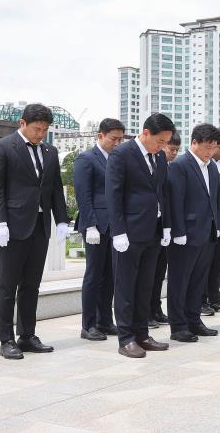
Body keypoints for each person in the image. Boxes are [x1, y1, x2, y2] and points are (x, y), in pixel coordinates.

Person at [0, 103, 71, 359]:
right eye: (36, 129)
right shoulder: (1, 148)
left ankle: (27, 335)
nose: (40, 134)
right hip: (11, 226)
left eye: (45, 130)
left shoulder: (50, 151)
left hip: (40, 226)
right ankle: (5, 339)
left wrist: (63, 220)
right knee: (6, 285)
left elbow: (55, 188)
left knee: (31, 285)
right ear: (22, 123)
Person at [106, 113, 174, 358]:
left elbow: (163, 193)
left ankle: (142, 333)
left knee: (146, 285)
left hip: (153, 231)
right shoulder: (121, 155)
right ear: (146, 133)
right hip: (129, 232)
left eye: (166, 142)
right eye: (160, 141)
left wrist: (166, 226)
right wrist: (118, 231)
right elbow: (113, 194)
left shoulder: (160, 158)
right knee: (126, 286)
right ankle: (126, 338)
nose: (163, 146)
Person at [167, 124, 220, 342]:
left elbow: (214, 200)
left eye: (214, 147)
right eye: (207, 146)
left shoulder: (212, 168)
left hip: (207, 233)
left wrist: (217, 226)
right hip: (185, 234)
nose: (210, 151)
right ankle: (178, 326)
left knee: (198, 281)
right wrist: (178, 231)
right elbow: (175, 201)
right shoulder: (180, 165)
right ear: (195, 143)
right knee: (180, 282)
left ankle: (194, 320)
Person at [75, 118, 125, 341]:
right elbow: (83, 196)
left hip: (114, 225)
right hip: (95, 225)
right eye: (113, 138)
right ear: (101, 136)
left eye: (120, 139)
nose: (117, 143)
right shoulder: (86, 159)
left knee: (111, 275)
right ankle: (89, 324)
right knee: (94, 275)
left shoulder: (117, 159)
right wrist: (91, 225)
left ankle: (105, 320)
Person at [148, 130, 181, 327]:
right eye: (171, 148)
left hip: (166, 227)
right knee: (149, 274)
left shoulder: (173, 167)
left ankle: (156, 308)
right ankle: (146, 312)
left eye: (177, 149)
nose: (174, 152)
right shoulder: (157, 164)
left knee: (160, 272)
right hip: (152, 224)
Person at [201, 127, 220, 316]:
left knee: (218, 263)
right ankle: (201, 300)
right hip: (207, 223)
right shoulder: (206, 165)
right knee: (204, 265)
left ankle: (215, 298)